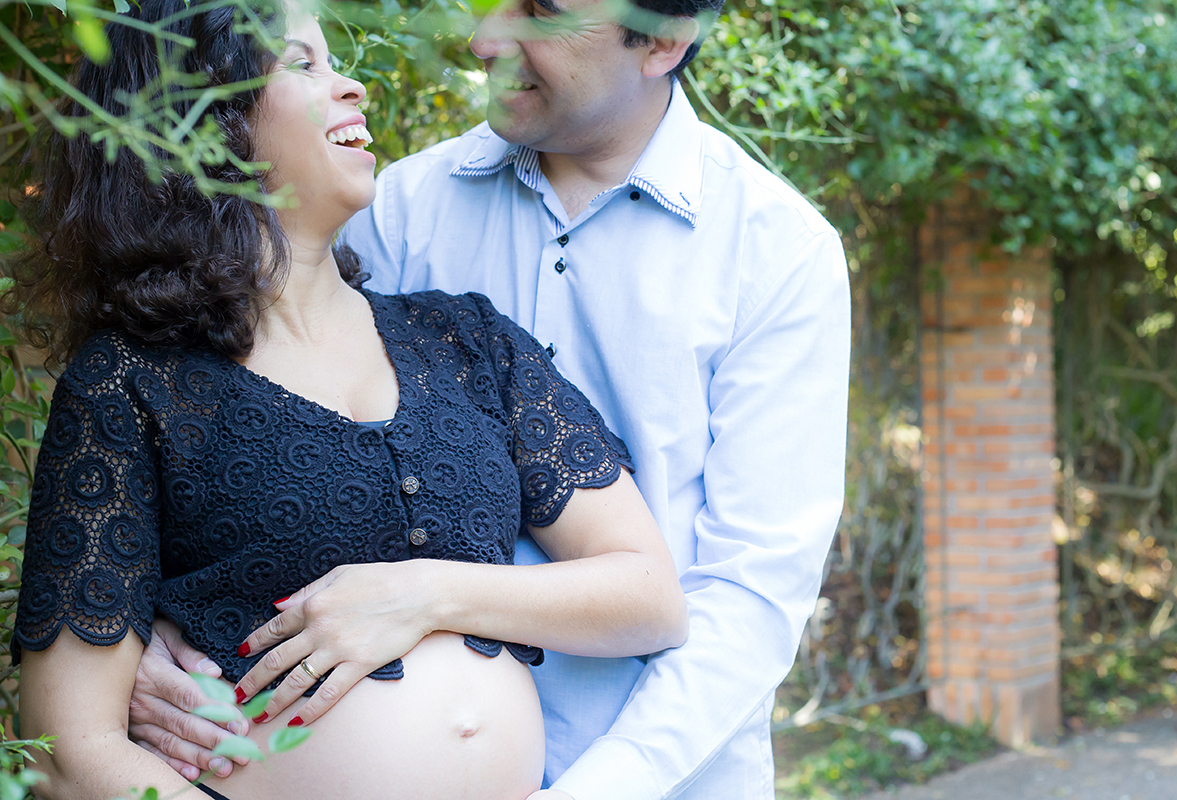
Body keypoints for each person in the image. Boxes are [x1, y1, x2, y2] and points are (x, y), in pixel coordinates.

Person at [130, 0, 852, 797]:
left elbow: (747, 594)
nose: (485, 41)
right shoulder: (394, 214)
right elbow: (245, 457)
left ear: (663, 42)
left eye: (541, 11)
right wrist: (150, 641)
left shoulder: (777, 254)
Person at [9, 1, 690, 799]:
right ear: (202, 122)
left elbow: (648, 598)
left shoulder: (465, 339)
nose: (353, 87)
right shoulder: (130, 382)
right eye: (303, 65)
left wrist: (421, 592)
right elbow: (65, 748)